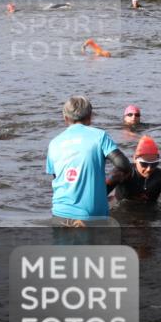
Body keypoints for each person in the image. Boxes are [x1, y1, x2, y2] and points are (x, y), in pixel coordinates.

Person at [46, 96, 132, 226]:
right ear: (90, 117)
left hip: (60, 214)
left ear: (65, 118)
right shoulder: (99, 136)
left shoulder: (54, 143)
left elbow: (57, 178)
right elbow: (123, 165)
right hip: (92, 216)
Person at [112, 135, 161, 216]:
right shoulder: (121, 173)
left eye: (154, 164)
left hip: (149, 212)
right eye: (144, 164)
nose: (149, 169)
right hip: (123, 211)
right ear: (135, 159)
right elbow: (101, 192)